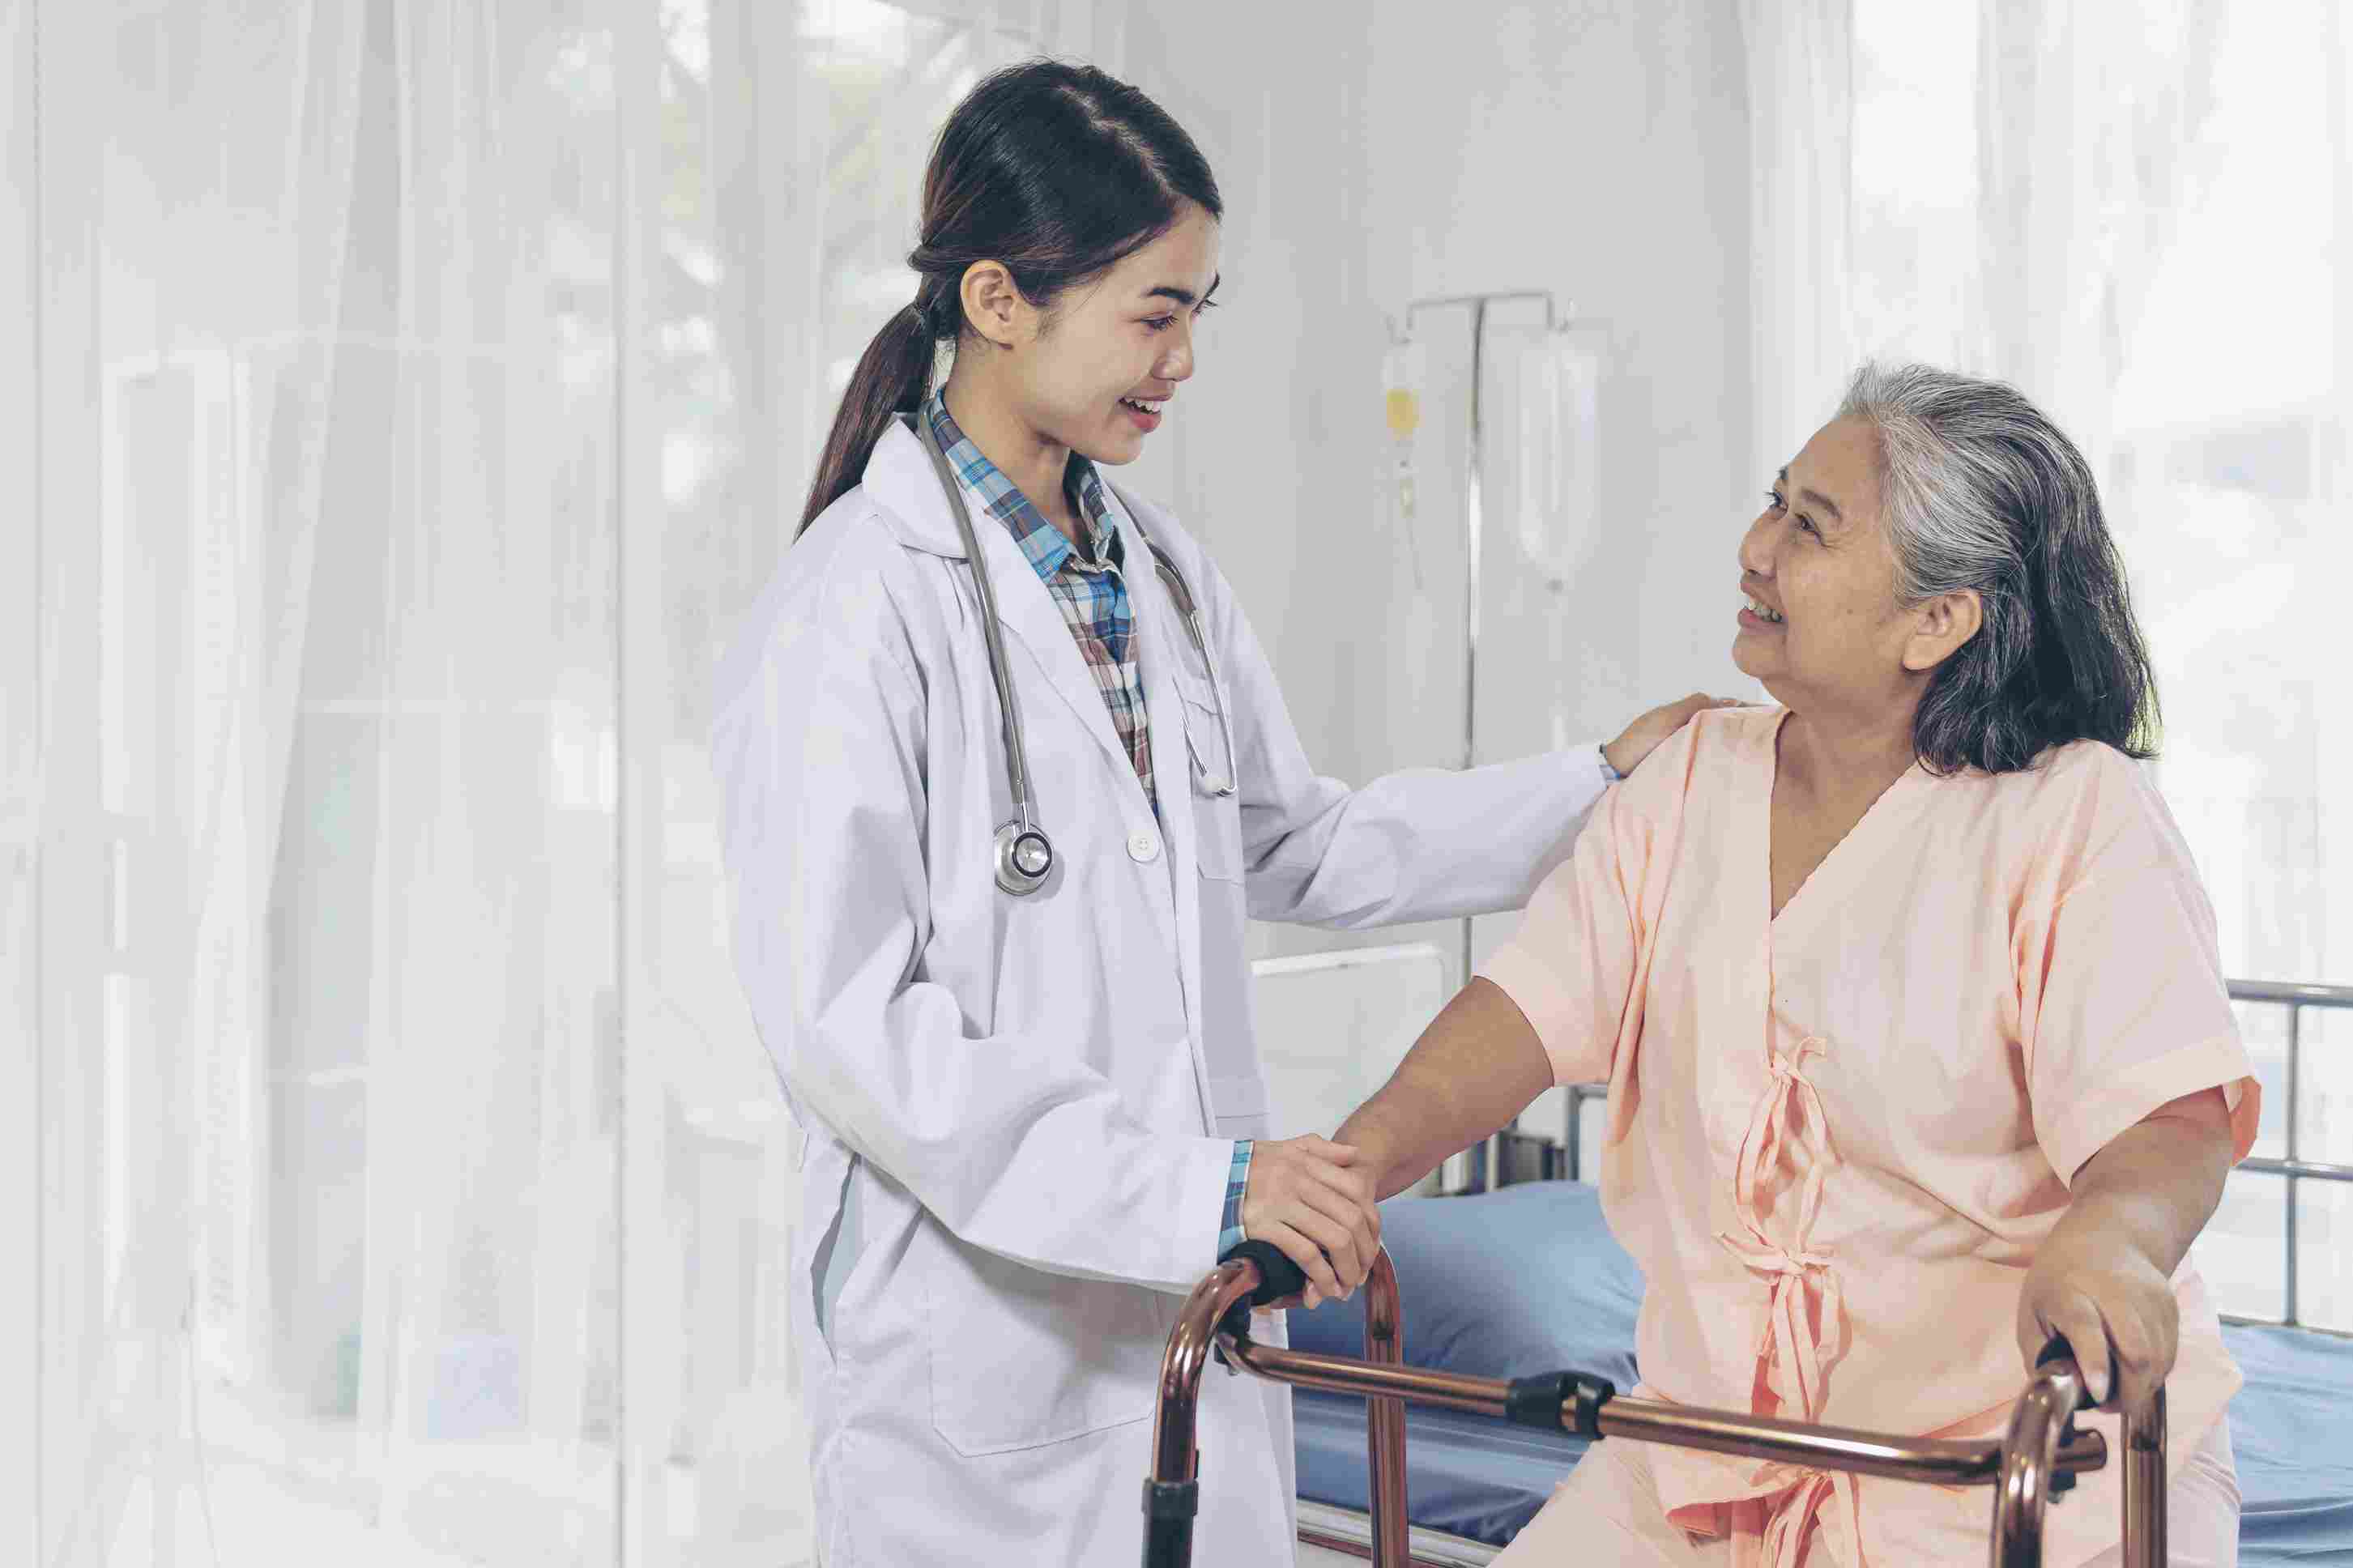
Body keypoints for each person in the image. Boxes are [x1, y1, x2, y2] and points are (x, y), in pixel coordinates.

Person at [710, 58, 1726, 1566]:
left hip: (1182, 1339)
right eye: (1154, 314)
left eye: (1196, 312)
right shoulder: (851, 604)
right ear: (998, 301)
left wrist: (1598, 781)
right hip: (978, 1358)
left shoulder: (1159, 573)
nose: (1183, 359)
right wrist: (1196, 1189)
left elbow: (1293, 841)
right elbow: (851, 1028)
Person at [1332, 363, 2261, 1567]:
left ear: (1936, 621)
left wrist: (2117, 1239)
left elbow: (2167, 1114)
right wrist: (1348, 1170)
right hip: (1715, 1451)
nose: (1755, 548)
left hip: (2017, 1463)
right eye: (1776, 501)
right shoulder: (1688, 779)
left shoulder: (2072, 814)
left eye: (1810, 527)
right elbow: (1525, 1008)